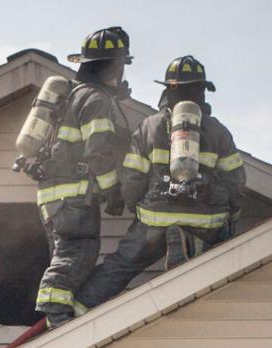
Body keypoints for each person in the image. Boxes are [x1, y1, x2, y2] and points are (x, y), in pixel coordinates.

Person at [73, 56, 245, 315]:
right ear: (202, 91)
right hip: (206, 222)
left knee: (120, 267)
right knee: (227, 264)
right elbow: (236, 184)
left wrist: (136, 207)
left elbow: (132, 178)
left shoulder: (149, 126)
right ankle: (193, 250)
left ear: (168, 89)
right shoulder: (218, 131)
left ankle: (78, 311)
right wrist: (230, 216)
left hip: (155, 219)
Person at [28, 27, 132, 328]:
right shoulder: (95, 100)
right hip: (73, 197)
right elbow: (99, 149)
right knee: (78, 251)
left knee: (68, 253)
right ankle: (56, 314)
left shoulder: (74, 97)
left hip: (53, 197)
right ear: (114, 64)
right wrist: (113, 190)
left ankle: (59, 316)